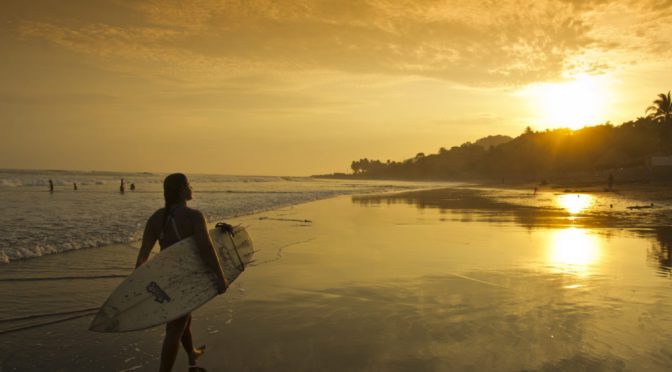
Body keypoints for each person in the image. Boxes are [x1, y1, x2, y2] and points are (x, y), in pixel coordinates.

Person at [135, 173, 228, 372]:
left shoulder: (156, 218)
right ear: (181, 190)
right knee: (175, 328)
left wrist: (141, 284)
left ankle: (192, 353)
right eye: (188, 185)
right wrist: (221, 278)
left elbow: (142, 256)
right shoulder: (194, 216)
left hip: (164, 279)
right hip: (185, 280)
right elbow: (206, 249)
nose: (191, 188)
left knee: (183, 317)